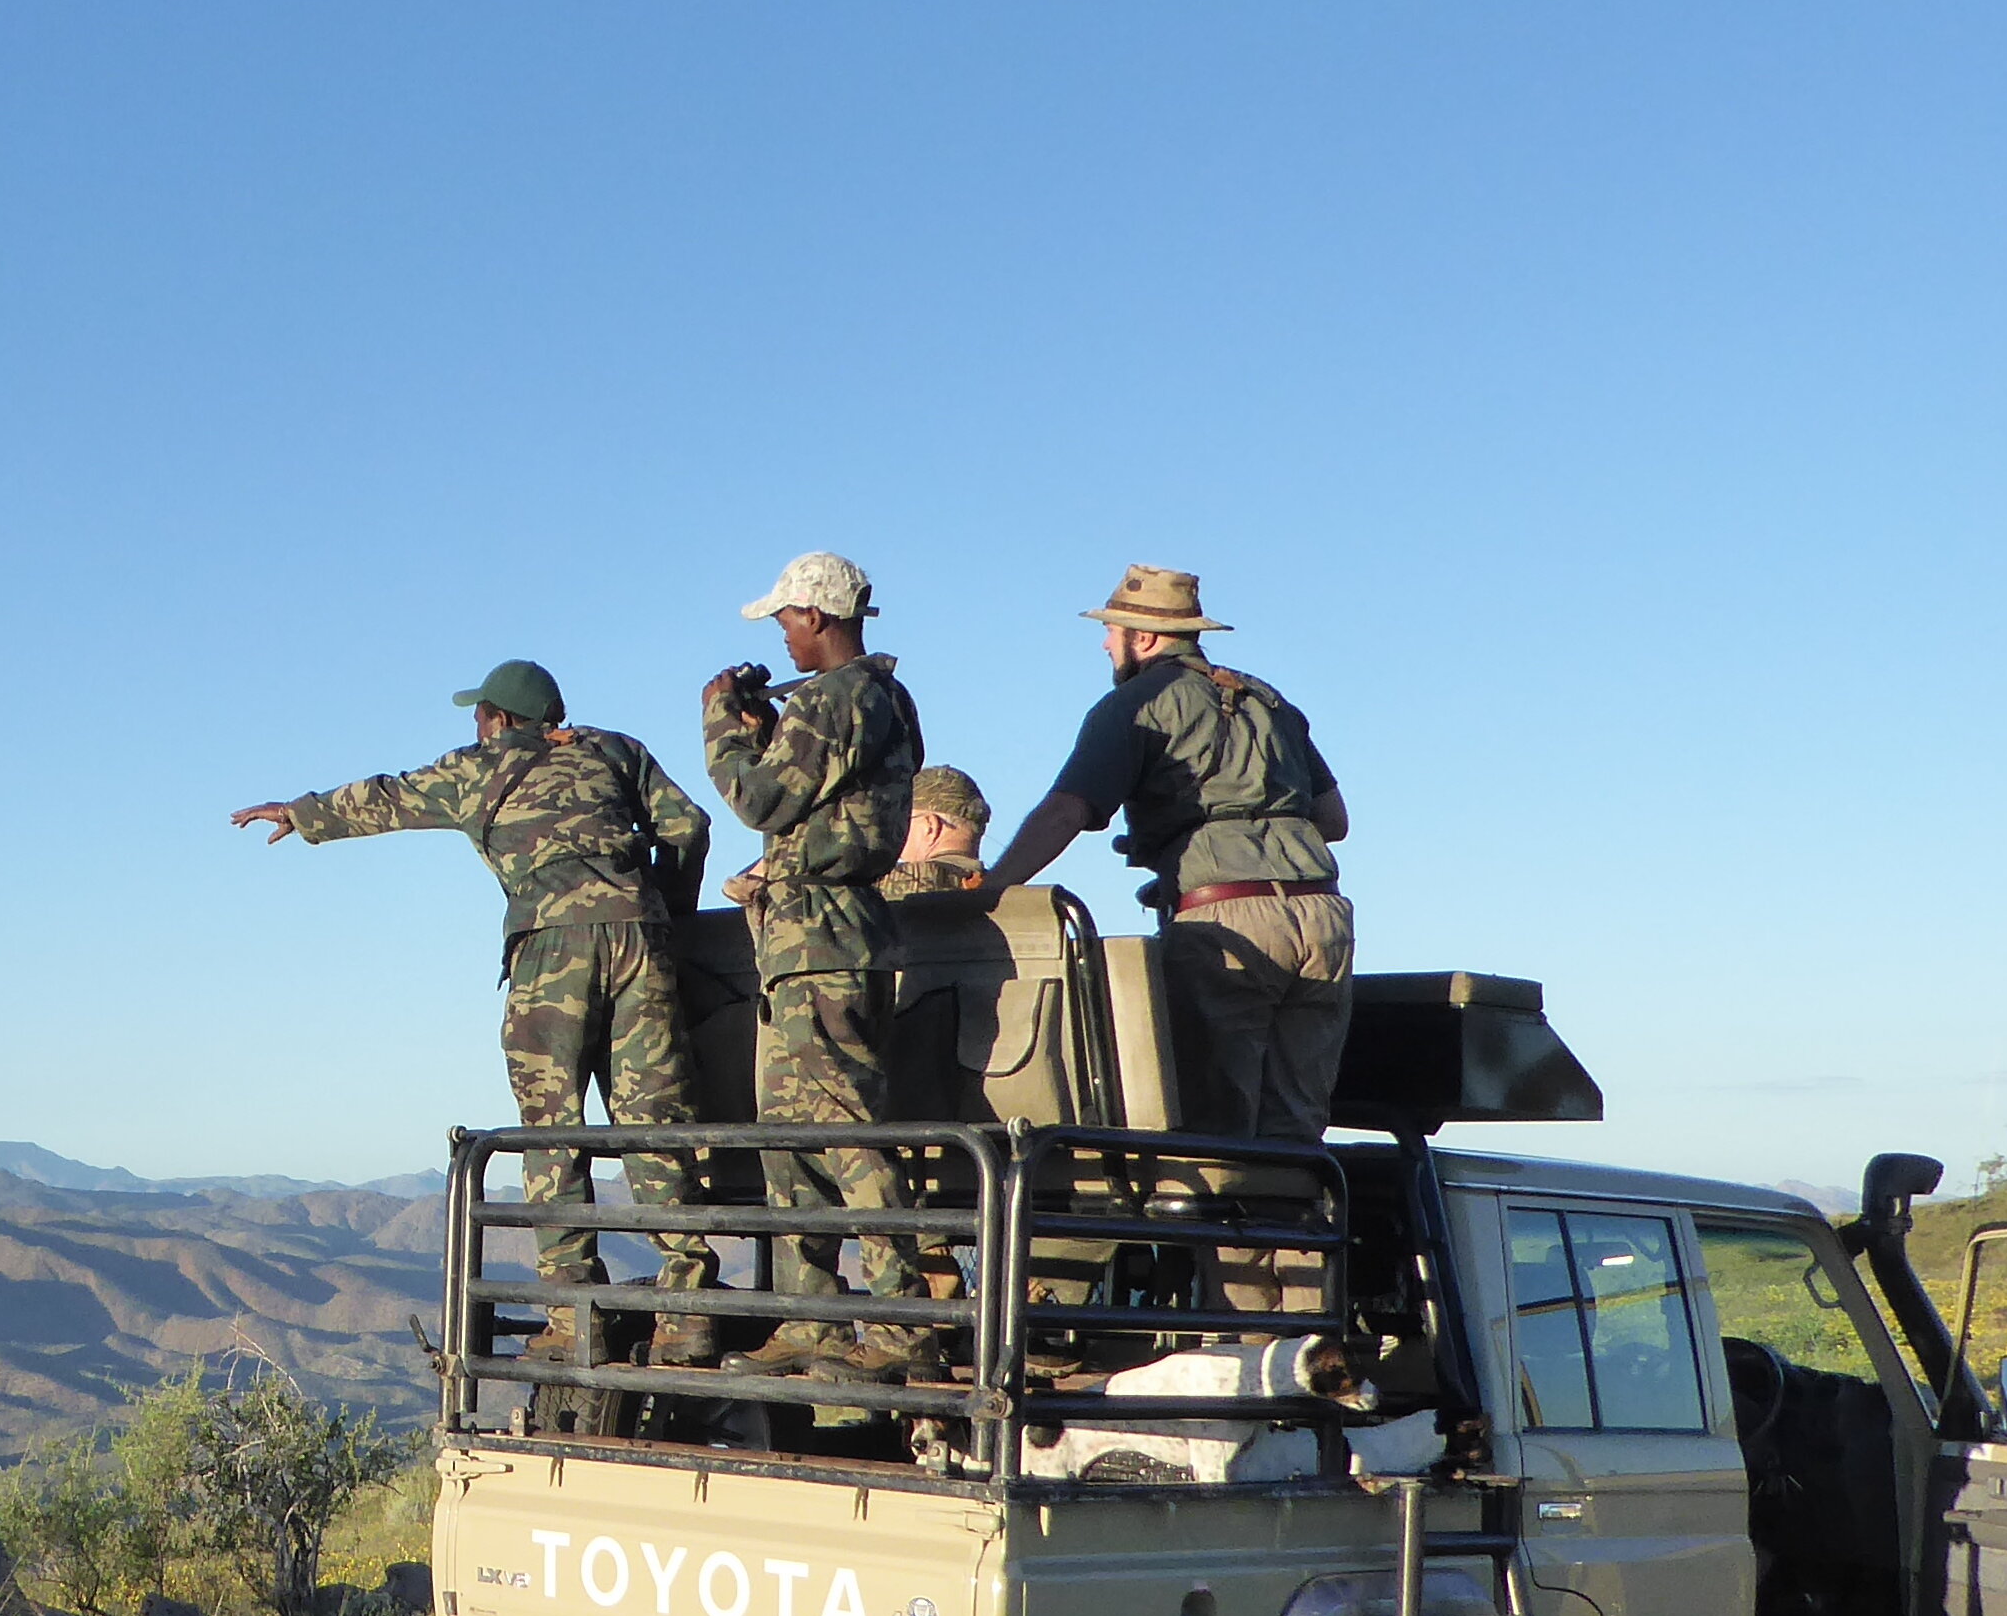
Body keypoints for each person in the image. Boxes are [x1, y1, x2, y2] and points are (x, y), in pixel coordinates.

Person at [233, 661, 716, 1362]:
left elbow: (389, 798)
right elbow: (689, 826)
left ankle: (574, 1313)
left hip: (553, 948)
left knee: (554, 1131)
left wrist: (299, 815)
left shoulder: (478, 768)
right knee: (654, 1124)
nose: (474, 724)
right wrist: (667, 912)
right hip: (643, 943)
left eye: (478, 714)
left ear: (498, 718)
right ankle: (691, 1312)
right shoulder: (616, 749)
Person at [975, 566, 1356, 1143]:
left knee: (1214, 1130)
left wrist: (993, 889)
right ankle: (1301, 1234)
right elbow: (1334, 821)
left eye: (1113, 631)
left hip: (1225, 925)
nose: (1106, 643)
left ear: (1144, 639)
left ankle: (1227, 1235)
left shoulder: (1134, 704)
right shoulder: (1268, 700)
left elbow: (1067, 811)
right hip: (1322, 916)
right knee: (1297, 1127)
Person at [700, 552, 928, 1371]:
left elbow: (759, 801)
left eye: (788, 621)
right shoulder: (874, 698)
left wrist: (724, 726)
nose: (785, 638)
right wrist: (773, 731)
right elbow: (816, 797)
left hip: (823, 938)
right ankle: (814, 1319)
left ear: (818, 616)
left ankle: (902, 1327)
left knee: (847, 1133)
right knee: (791, 1140)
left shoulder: (838, 699)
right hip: (805, 939)